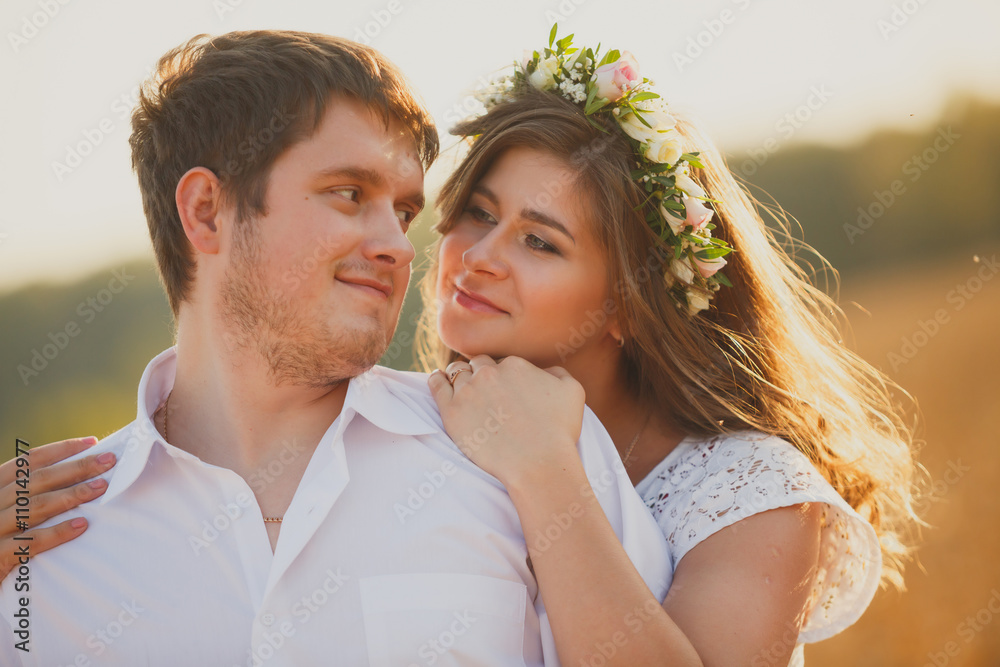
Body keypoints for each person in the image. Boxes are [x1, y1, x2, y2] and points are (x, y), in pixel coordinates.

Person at [2, 29, 921, 667]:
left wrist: (545, 474)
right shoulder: (39, 555)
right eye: (349, 193)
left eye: (404, 209)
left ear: (629, 305)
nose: (436, 253)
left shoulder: (563, 475)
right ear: (205, 210)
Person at [410, 33, 919, 665]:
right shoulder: (406, 429)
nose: (478, 258)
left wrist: (544, 469)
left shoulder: (750, 491)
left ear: (628, 302)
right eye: (481, 215)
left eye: (539, 242)